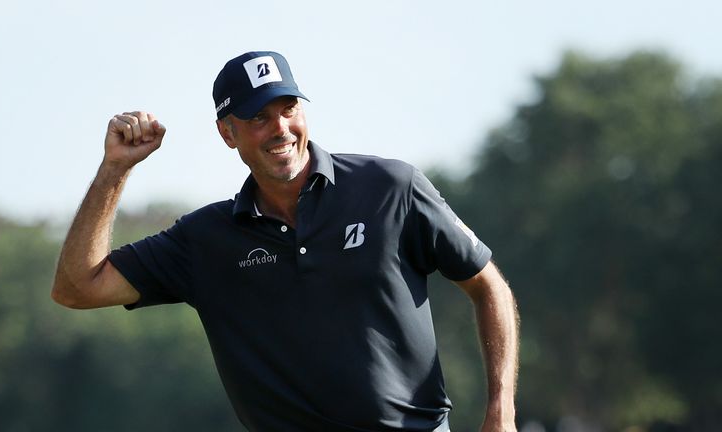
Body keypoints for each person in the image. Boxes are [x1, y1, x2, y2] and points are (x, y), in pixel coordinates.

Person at [52, 51, 519, 432]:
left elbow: (487, 285)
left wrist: (501, 410)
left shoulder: (391, 188)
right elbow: (78, 288)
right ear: (227, 133)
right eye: (259, 117)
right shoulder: (205, 241)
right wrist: (115, 171)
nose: (280, 128)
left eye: (289, 108)